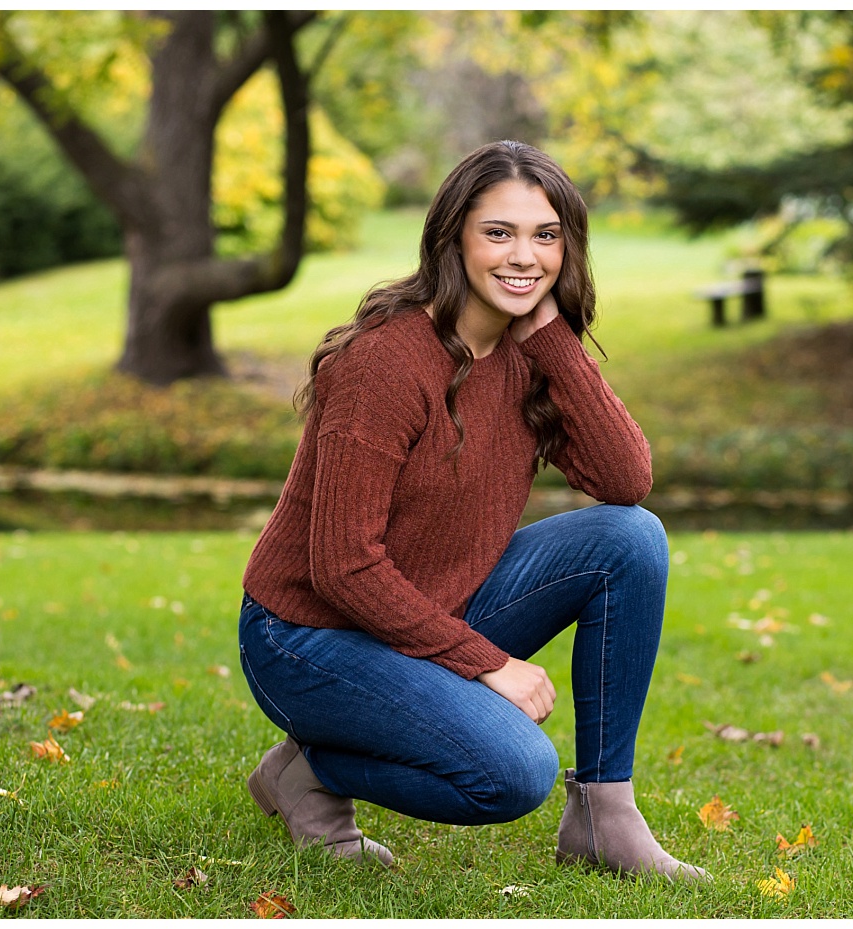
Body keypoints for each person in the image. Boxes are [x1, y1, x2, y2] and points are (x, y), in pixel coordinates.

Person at [235, 140, 707, 881]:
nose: (525, 256)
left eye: (545, 235)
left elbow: (626, 478)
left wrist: (551, 337)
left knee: (630, 538)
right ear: (452, 236)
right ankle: (312, 772)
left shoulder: (525, 351)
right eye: (500, 233)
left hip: (425, 605)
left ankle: (604, 813)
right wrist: (488, 664)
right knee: (514, 771)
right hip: (306, 634)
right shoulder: (385, 363)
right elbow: (343, 566)